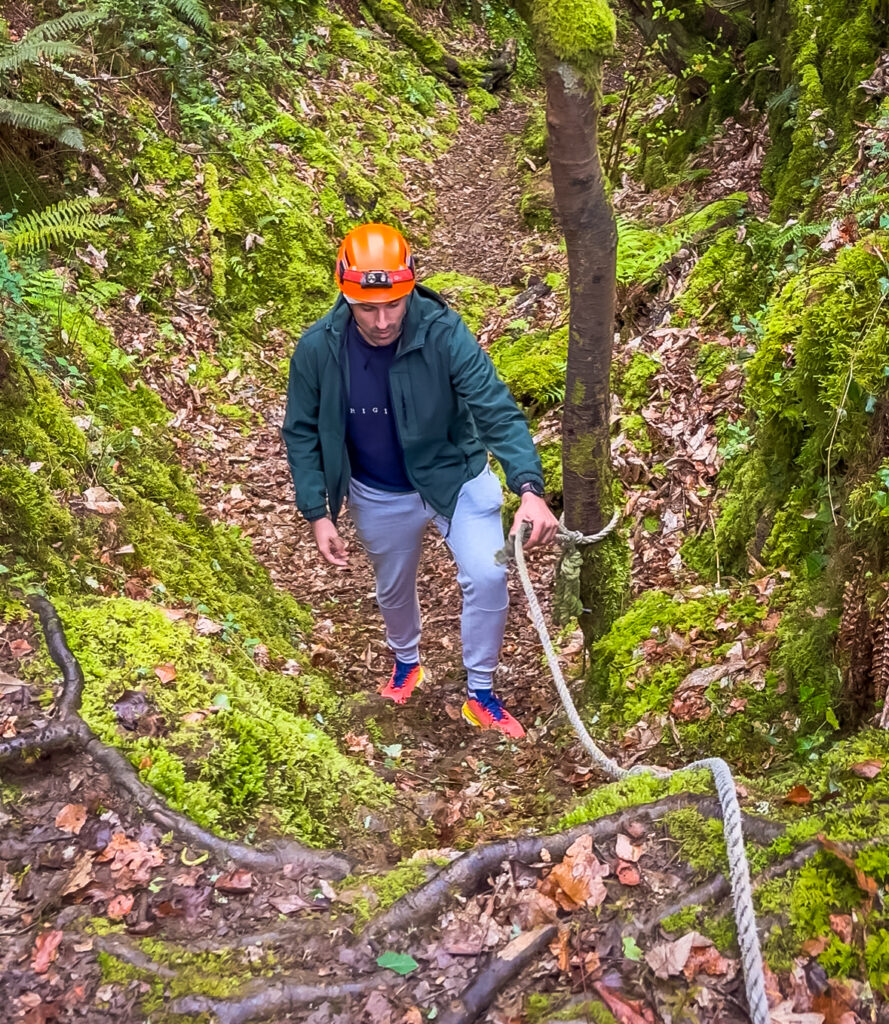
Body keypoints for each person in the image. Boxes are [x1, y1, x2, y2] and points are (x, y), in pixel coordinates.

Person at [282, 223, 558, 738]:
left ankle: (481, 692)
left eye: (394, 304)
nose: (383, 321)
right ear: (346, 296)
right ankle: (407, 662)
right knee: (392, 584)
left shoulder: (444, 332)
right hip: (377, 490)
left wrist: (529, 488)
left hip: (457, 478)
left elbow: (496, 409)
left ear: (410, 289)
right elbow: (300, 431)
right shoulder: (319, 349)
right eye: (368, 308)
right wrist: (317, 512)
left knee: (488, 575)